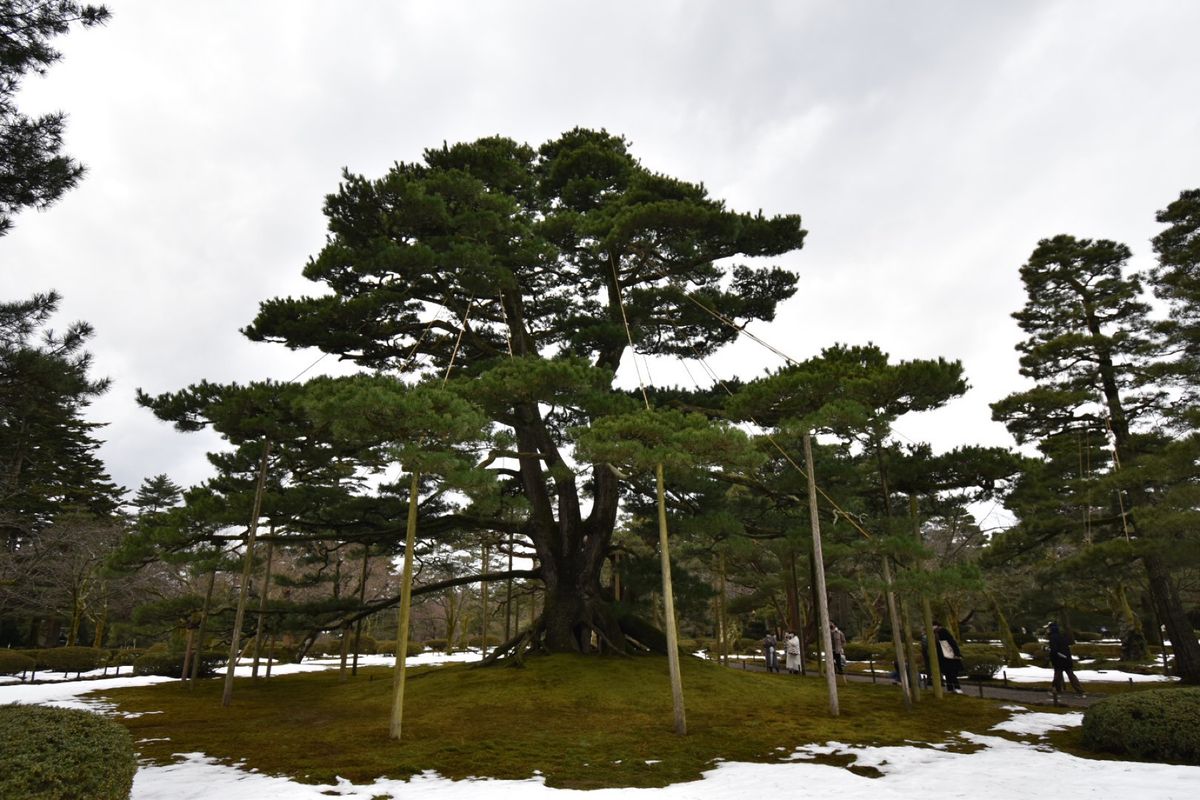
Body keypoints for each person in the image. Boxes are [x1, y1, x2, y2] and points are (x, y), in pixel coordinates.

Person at [1047, 621, 1086, 697]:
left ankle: (1057, 691)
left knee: (1058, 676)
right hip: (1066, 659)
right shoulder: (1062, 636)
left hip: (1059, 660)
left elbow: (1054, 650)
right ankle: (1080, 691)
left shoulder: (1053, 638)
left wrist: (1048, 650)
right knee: (1070, 675)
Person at [932, 621, 964, 693]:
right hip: (944, 656)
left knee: (951, 673)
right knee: (947, 673)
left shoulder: (942, 632)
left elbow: (952, 643)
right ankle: (951, 688)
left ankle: (956, 688)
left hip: (949, 655)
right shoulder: (935, 634)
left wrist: (957, 654)